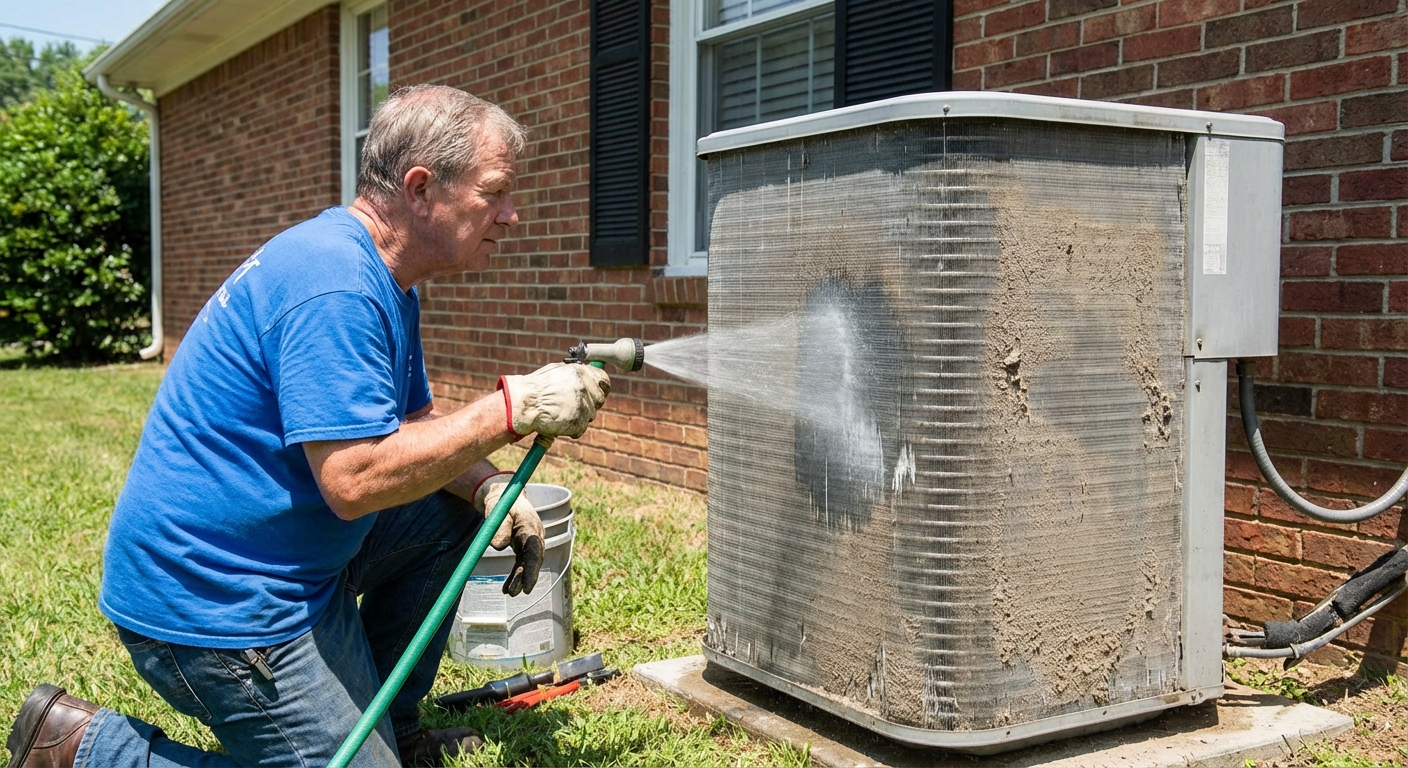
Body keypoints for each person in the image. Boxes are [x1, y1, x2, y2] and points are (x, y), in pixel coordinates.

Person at [4, 85, 610, 768]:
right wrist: (512, 409)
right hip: (216, 605)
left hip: (280, 560)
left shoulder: (386, 278)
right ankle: (85, 748)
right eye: (495, 192)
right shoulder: (336, 282)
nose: (513, 214)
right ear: (420, 189)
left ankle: (395, 731)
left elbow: (409, 423)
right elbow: (353, 478)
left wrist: (485, 488)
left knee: (448, 512)